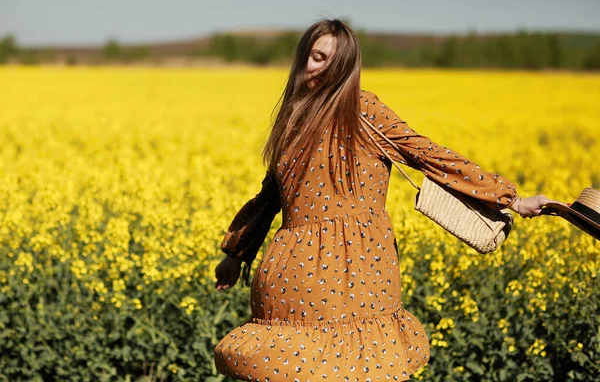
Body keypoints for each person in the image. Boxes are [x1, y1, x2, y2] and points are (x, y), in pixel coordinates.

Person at [212, 19, 560, 382]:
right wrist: (234, 256)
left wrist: (235, 255)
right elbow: (273, 197)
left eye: (334, 63)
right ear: (302, 56)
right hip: (348, 272)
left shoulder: (354, 111)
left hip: (300, 274)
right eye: (317, 57)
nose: (322, 69)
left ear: (347, 70)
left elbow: (426, 156)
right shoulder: (306, 118)